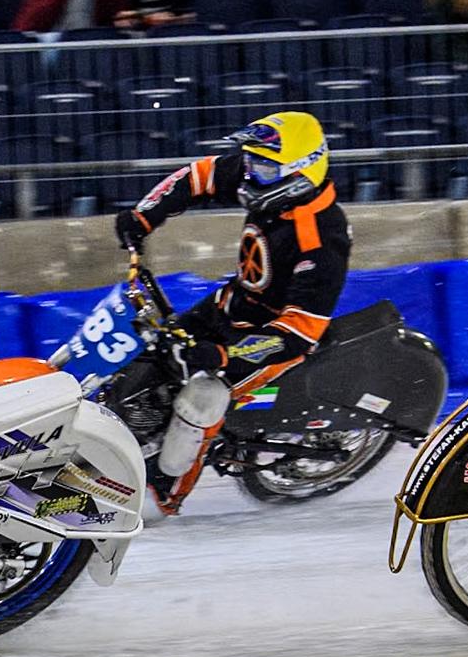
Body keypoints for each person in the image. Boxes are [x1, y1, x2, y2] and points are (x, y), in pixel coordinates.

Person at [112, 111, 350, 514]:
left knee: (202, 398)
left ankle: (168, 490)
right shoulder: (264, 174)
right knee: (152, 350)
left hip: (272, 339)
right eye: (252, 161)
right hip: (231, 303)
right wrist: (144, 215)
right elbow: (198, 175)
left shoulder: (322, 240)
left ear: (300, 173)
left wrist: (225, 355)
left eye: (264, 167)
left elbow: (299, 332)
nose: (250, 173)